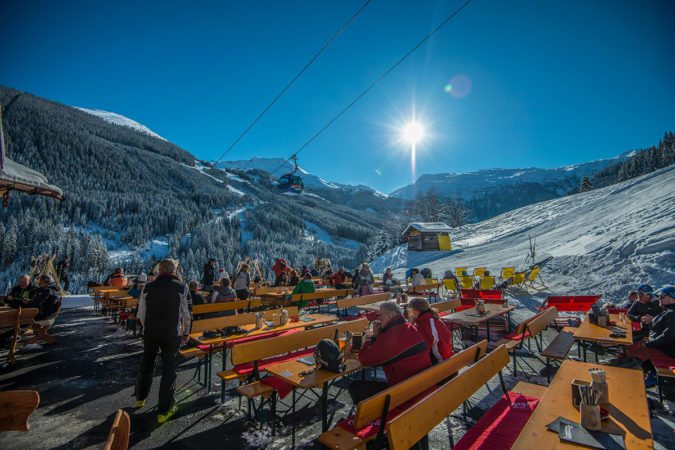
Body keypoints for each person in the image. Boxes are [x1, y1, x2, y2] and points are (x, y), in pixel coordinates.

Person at [135, 259, 191, 424]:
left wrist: (146, 328)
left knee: (147, 363)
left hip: (151, 332)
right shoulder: (182, 287)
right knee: (169, 369)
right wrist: (186, 333)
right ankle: (164, 410)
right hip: (170, 334)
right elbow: (186, 314)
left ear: (159, 271)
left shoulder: (148, 287)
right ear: (174, 271)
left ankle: (140, 397)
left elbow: (141, 313)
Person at [350, 301, 431, 403]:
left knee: (356, 388)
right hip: (422, 385)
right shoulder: (408, 327)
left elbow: (364, 359)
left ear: (389, 315)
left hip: (407, 395)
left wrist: (373, 337)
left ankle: (375, 418)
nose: (378, 319)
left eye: (381, 315)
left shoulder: (392, 334)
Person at [408, 298, 453, 364]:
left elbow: (413, 341)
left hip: (439, 360)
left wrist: (411, 324)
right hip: (444, 354)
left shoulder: (426, 322)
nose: (411, 313)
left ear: (416, 311)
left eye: (411, 310)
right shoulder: (431, 317)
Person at [20, 275, 61, 344]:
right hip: (51, 316)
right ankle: (41, 337)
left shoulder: (47, 290)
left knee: (20, 318)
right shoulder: (55, 291)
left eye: (41, 282)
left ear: (46, 282)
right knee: (37, 329)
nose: (39, 283)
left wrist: (27, 302)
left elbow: (36, 303)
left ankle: (21, 338)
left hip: (42, 317)